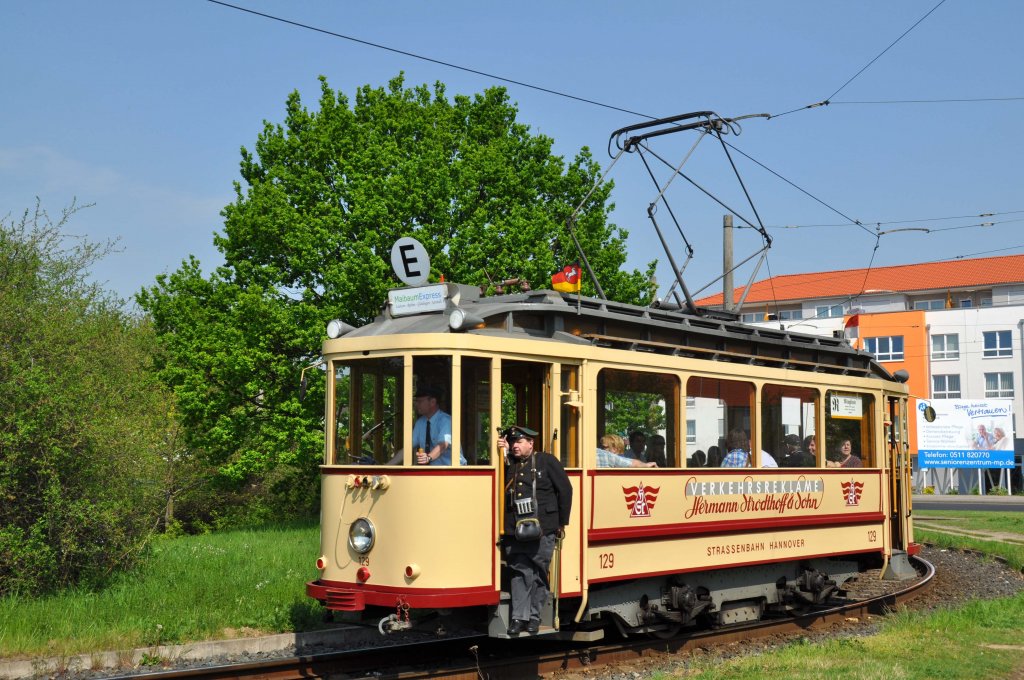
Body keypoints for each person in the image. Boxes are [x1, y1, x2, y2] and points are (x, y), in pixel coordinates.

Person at [497, 426, 572, 636]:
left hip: (542, 527)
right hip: (515, 529)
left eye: (519, 442)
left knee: (538, 573)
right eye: (512, 443)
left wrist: (561, 523)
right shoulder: (508, 463)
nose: (515, 446)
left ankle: (534, 617)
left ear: (531, 443)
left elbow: (565, 490)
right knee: (519, 573)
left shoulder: (547, 461)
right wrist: (500, 454)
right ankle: (518, 617)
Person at [412, 385, 467, 465]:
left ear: (432, 402)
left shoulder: (446, 421)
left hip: (453, 472)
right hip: (433, 473)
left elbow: (443, 445)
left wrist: (428, 457)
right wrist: (388, 465)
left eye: (420, 401)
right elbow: (407, 448)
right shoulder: (420, 423)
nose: (416, 404)